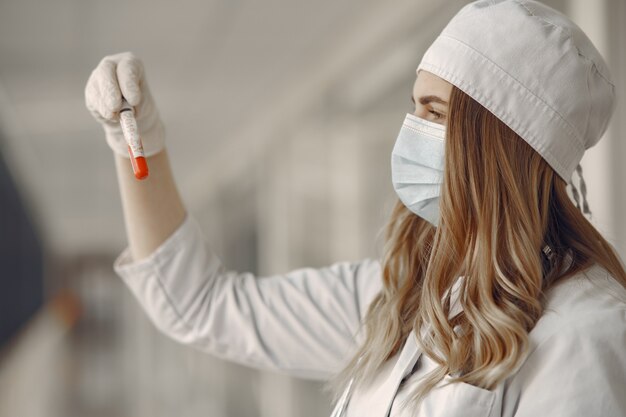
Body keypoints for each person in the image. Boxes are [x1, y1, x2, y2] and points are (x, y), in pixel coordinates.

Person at [84, 0, 626, 415]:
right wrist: (139, 143)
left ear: (495, 147)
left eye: (433, 113)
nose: (410, 132)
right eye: (413, 108)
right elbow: (203, 304)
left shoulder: (584, 332)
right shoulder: (401, 298)